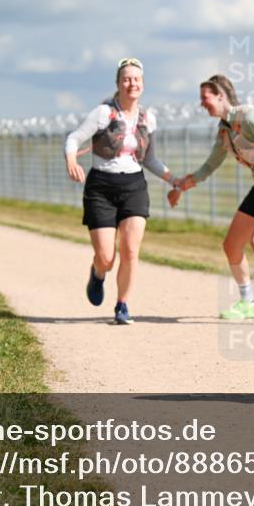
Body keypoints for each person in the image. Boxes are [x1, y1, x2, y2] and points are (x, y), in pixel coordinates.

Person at [173, 75, 254, 328]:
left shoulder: (252, 117)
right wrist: (180, 186)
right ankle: (248, 302)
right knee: (231, 244)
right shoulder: (224, 130)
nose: (202, 104)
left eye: (205, 98)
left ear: (221, 96)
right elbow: (210, 165)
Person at [64, 58, 176, 325]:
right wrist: (71, 159)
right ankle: (98, 272)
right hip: (101, 186)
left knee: (130, 250)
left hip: (134, 186)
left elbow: (149, 159)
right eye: (126, 79)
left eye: (136, 79)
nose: (132, 83)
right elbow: (74, 138)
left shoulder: (149, 118)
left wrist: (174, 180)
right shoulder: (103, 113)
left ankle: (122, 305)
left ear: (143, 84)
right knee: (107, 257)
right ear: (118, 83)